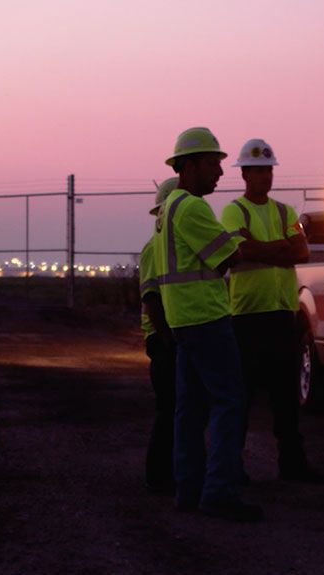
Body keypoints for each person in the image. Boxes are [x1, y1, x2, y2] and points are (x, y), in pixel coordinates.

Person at [156, 127, 263, 522]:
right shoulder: (192, 208)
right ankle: (219, 491)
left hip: (184, 320)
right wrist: (240, 245)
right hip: (207, 318)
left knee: (190, 409)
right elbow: (228, 257)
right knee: (230, 401)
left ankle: (188, 489)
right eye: (214, 164)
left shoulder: (168, 207)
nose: (221, 172)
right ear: (190, 165)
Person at [218, 138, 324, 483]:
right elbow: (241, 250)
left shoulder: (286, 212)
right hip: (247, 316)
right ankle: (232, 466)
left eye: (269, 170)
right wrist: (280, 247)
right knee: (242, 397)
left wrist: (265, 249)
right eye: (259, 170)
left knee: (285, 397)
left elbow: (303, 251)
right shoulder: (234, 211)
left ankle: (292, 464)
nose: (266, 176)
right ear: (244, 174)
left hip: (282, 314)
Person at [139, 177, 181, 495]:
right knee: (170, 408)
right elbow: (151, 298)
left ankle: (172, 470)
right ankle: (158, 475)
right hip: (164, 338)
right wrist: (166, 337)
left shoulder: (169, 245)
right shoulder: (155, 248)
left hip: (171, 336)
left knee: (179, 408)